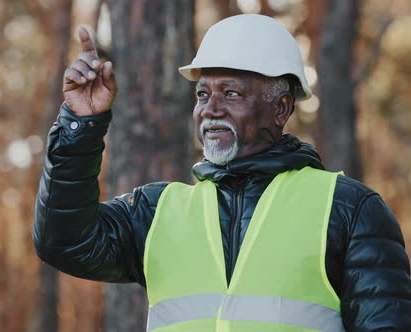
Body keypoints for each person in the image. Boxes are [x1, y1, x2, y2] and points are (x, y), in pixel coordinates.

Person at [33, 14, 411, 331]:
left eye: (230, 93)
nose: (210, 109)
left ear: (280, 108)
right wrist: (79, 126)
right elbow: (63, 240)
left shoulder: (349, 210)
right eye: (202, 94)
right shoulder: (155, 212)